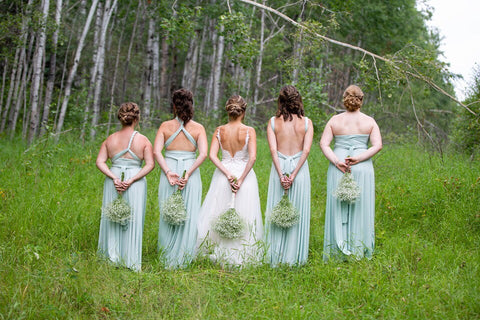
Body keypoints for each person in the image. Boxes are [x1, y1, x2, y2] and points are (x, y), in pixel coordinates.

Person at [196, 95, 263, 267]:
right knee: (244, 213)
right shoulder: (249, 131)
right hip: (244, 176)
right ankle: (242, 253)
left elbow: (212, 155)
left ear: (228, 110)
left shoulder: (219, 130)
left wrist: (226, 174)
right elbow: (253, 157)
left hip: (223, 175)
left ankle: (216, 250)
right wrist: (240, 178)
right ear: (244, 111)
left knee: (217, 210)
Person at [320, 85, 382, 261]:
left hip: (338, 164)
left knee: (337, 206)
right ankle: (358, 250)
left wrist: (336, 161)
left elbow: (324, 144)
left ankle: (336, 252)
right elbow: (378, 145)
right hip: (361, 166)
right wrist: (359, 158)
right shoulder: (370, 121)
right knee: (360, 206)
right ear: (361, 100)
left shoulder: (334, 120)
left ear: (344, 100)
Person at [96, 102, 154, 272]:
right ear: (137, 118)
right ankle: (130, 260)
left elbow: (100, 161)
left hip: (113, 181)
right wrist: (131, 179)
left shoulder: (110, 139)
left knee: (111, 218)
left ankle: (110, 257)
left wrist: (114, 177)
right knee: (132, 219)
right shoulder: (143, 140)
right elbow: (150, 165)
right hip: (134, 183)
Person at [154, 88, 208, 269]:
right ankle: (184, 258)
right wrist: (188, 173)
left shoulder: (164, 126)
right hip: (188, 173)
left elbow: (156, 152)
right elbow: (203, 154)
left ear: (174, 106)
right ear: (191, 104)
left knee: (167, 213)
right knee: (188, 213)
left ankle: (165, 255)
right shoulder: (199, 128)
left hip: (170, 171)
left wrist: (168, 171)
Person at [265, 85, 313, 266]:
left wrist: (281, 174)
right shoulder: (307, 123)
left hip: (280, 166)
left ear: (281, 101)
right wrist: (293, 175)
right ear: (298, 100)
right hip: (299, 169)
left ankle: (275, 257)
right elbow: (306, 150)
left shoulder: (272, 122)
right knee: (297, 211)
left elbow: (273, 150)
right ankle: (295, 258)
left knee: (276, 210)